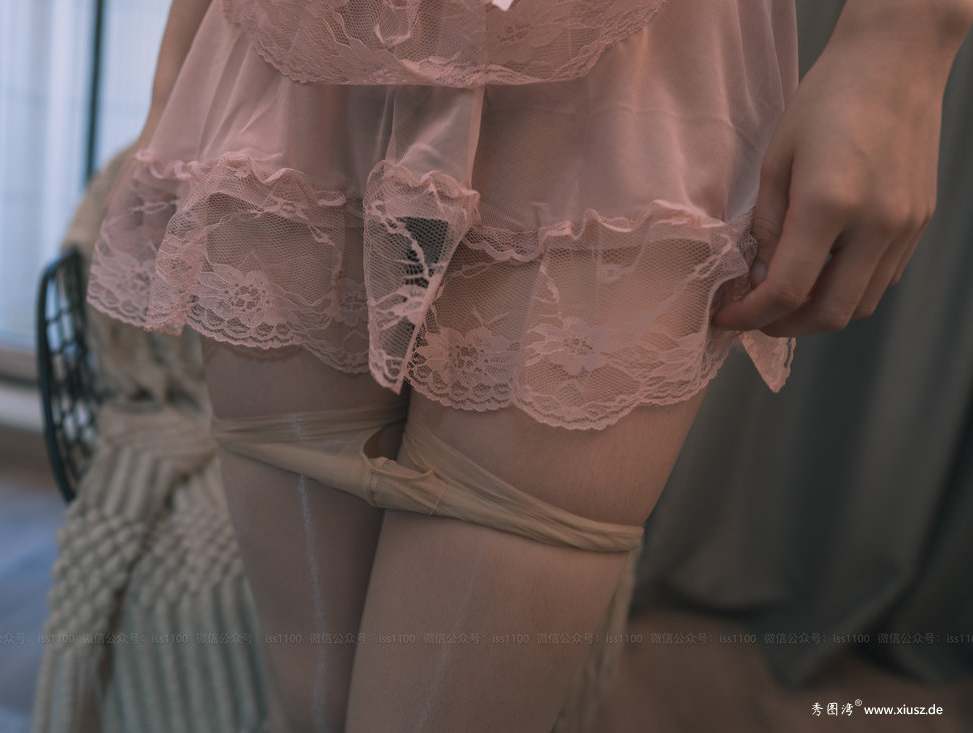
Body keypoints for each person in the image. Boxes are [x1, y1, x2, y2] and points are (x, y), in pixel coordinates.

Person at [85, 0, 973, 730]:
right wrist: (179, 61)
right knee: (308, 708)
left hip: (631, 72)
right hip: (295, 59)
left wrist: (904, 36)